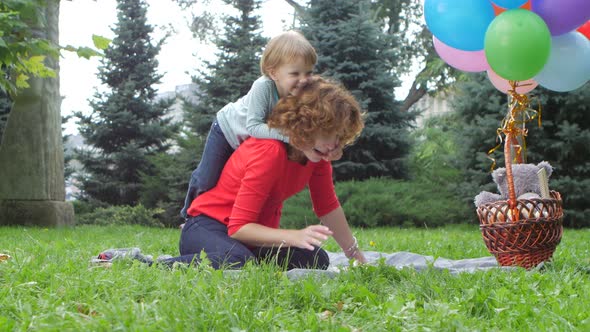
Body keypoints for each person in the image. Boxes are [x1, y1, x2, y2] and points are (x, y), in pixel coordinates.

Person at [162, 76, 367, 270]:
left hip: (250, 239)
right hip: (207, 227)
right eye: (330, 135)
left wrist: (355, 254)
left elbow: (328, 207)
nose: (334, 146)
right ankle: (157, 266)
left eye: (340, 137)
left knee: (315, 259)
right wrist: (292, 236)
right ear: (305, 126)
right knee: (237, 262)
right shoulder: (269, 151)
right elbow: (239, 227)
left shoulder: (317, 156)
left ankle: (244, 258)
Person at [180, 30, 343, 221]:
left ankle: (231, 221)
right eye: (295, 73)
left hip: (252, 143)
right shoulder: (263, 87)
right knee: (208, 177)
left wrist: (333, 145)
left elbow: (315, 125)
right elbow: (254, 127)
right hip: (227, 130)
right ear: (273, 72)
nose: (303, 79)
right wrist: (291, 137)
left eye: (308, 73)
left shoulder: (303, 91)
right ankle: (189, 215)